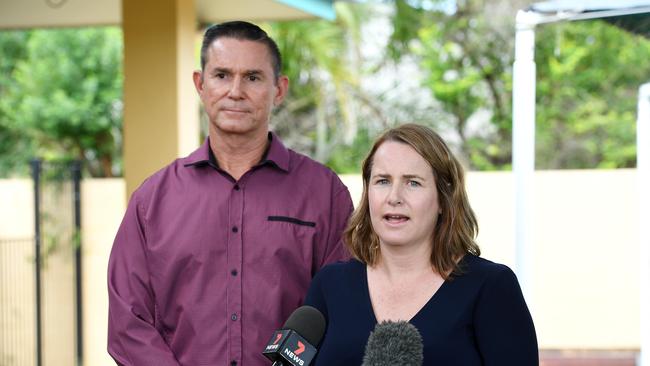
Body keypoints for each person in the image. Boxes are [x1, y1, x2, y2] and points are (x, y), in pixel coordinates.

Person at [107, 21, 353, 366]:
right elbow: (128, 323)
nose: (235, 91)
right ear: (200, 84)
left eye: (252, 77)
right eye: (222, 75)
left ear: (279, 89)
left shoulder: (325, 194)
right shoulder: (152, 201)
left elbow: (342, 310)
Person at [305, 123, 538, 365]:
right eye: (383, 181)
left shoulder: (491, 287)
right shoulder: (330, 285)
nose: (394, 197)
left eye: (412, 182)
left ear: (442, 199)